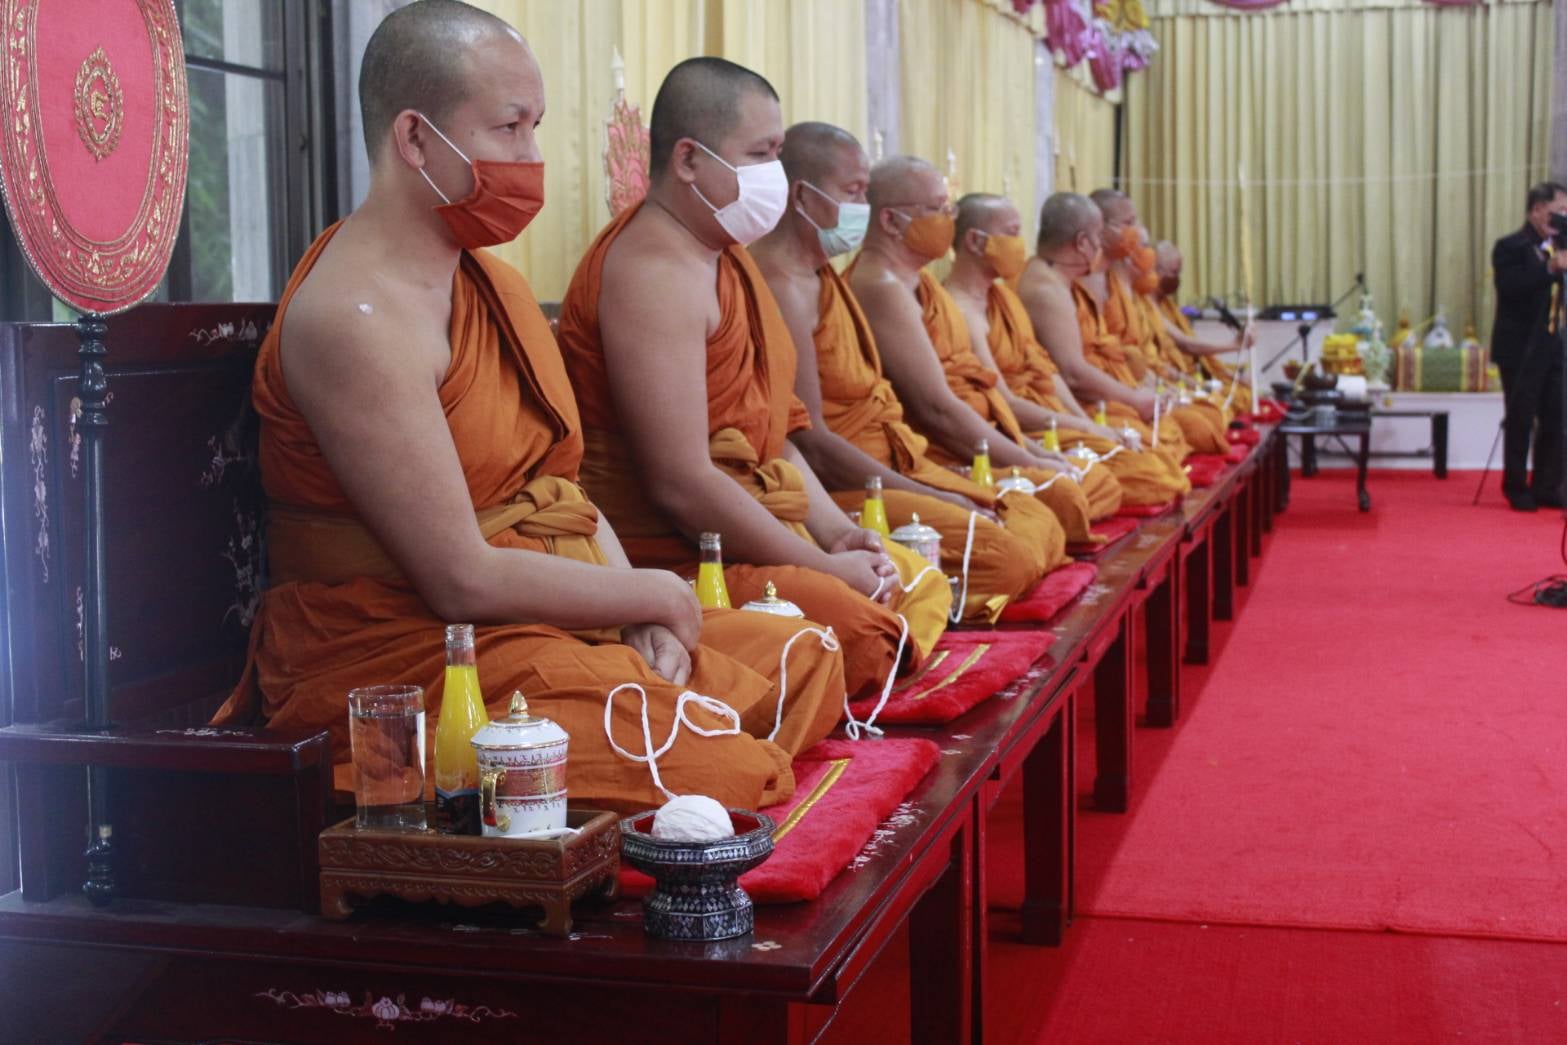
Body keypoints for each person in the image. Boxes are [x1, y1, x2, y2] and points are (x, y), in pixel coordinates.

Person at [213, 1, 847, 815]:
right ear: (413, 139)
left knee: (803, 656)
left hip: (536, 613)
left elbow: (565, 496)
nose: (532, 158)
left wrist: (631, 618)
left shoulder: (493, 285)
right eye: (509, 129)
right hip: (402, 654)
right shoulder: (353, 317)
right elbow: (457, 577)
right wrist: (653, 596)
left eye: (536, 127)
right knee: (718, 770)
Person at [557, 59, 951, 700]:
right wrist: (821, 566)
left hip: (765, 525)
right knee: (863, 632)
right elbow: (681, 484)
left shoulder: (724, 258)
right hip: (684, 554)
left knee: (914, 580)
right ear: (688, 159)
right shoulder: (653, 270)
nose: (777, 172)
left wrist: (834, 533)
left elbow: (781, 434)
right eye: (763, 153)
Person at [750, 122, 1066, 622]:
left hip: (901, 462)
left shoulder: (821, 276)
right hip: (847, 483)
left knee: (1035, 519)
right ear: (802, 195)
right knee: (1012, 551)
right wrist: (934, 495)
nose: (864, 206)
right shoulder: (787, 284)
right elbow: (810, 440)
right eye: (854, 192)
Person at [847, 156, 1105, 543]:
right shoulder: (881, 287)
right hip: (938, 450)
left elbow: (1000, 385)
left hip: (982, 436)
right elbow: (936, 408)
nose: (948, 220)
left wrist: (1033, 451)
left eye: (949, 209)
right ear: (889, 221)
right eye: (937, 209)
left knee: (1075, 490)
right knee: (1048, 513)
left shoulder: (924, 287)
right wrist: (1029, 458)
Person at [945, 193, 1189, 507]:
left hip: (1053, 416)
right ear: (976, 242)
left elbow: (1046, 370)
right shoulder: (965, 308)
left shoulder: (1002, 299)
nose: (1021, 245)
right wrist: (1079, 430)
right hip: (1011, 430)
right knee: (1140, 473)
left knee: (1157, 453)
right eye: (1012, 234)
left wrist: (1092, 427)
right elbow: (1006, 402)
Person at [1016, 192, 1186, 473]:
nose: (1100, 247)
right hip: (1052, 410)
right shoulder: (1046, 288)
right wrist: (1094, 423)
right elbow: (1071, 373)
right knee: (1154, 467)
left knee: (1165, 442)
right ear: (1083, 242)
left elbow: (1057, 368)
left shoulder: (1068, 280)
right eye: (1097, 237)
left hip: (1082, 405)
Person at [1490, 181, 1567, 511]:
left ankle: (1547, 484)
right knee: (1521, 417)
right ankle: (1516, 485)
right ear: (1537, 210)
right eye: (1558, 211)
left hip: (1552, 344)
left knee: (1557, 416)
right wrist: (1549, 268)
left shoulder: (1559, 246)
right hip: (1520, 347)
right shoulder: (1511, 246)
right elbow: (1511, 287)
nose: (1563, 218)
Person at [1153, 240, 1253, 413]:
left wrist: (1229, 374)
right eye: (1174, 272)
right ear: (1156, 270)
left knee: (1245, 391)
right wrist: (1234, 345)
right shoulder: (1146, 305)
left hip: (1193, 375)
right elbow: (1187, 344)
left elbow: (1199, 354)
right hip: (1174, 381)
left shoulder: (1167, 305)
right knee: (1222, 407)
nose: (1177, 279)